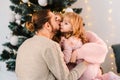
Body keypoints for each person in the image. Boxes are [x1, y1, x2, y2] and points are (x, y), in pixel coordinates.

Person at [15, 9, 88, 80]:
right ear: (48, 26)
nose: (59, 21)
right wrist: (85, 64)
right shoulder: (50, 45)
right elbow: (67, 78)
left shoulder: (25, 43)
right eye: (55, 19)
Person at [59, 12, 120, 80]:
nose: (61, 24)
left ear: (73, 28)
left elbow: (102, 49)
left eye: (66, 23)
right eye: (62, 21)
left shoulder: (84, 36)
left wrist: (78, 52)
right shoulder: (65, 40)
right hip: (81, 73)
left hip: (87, 71)